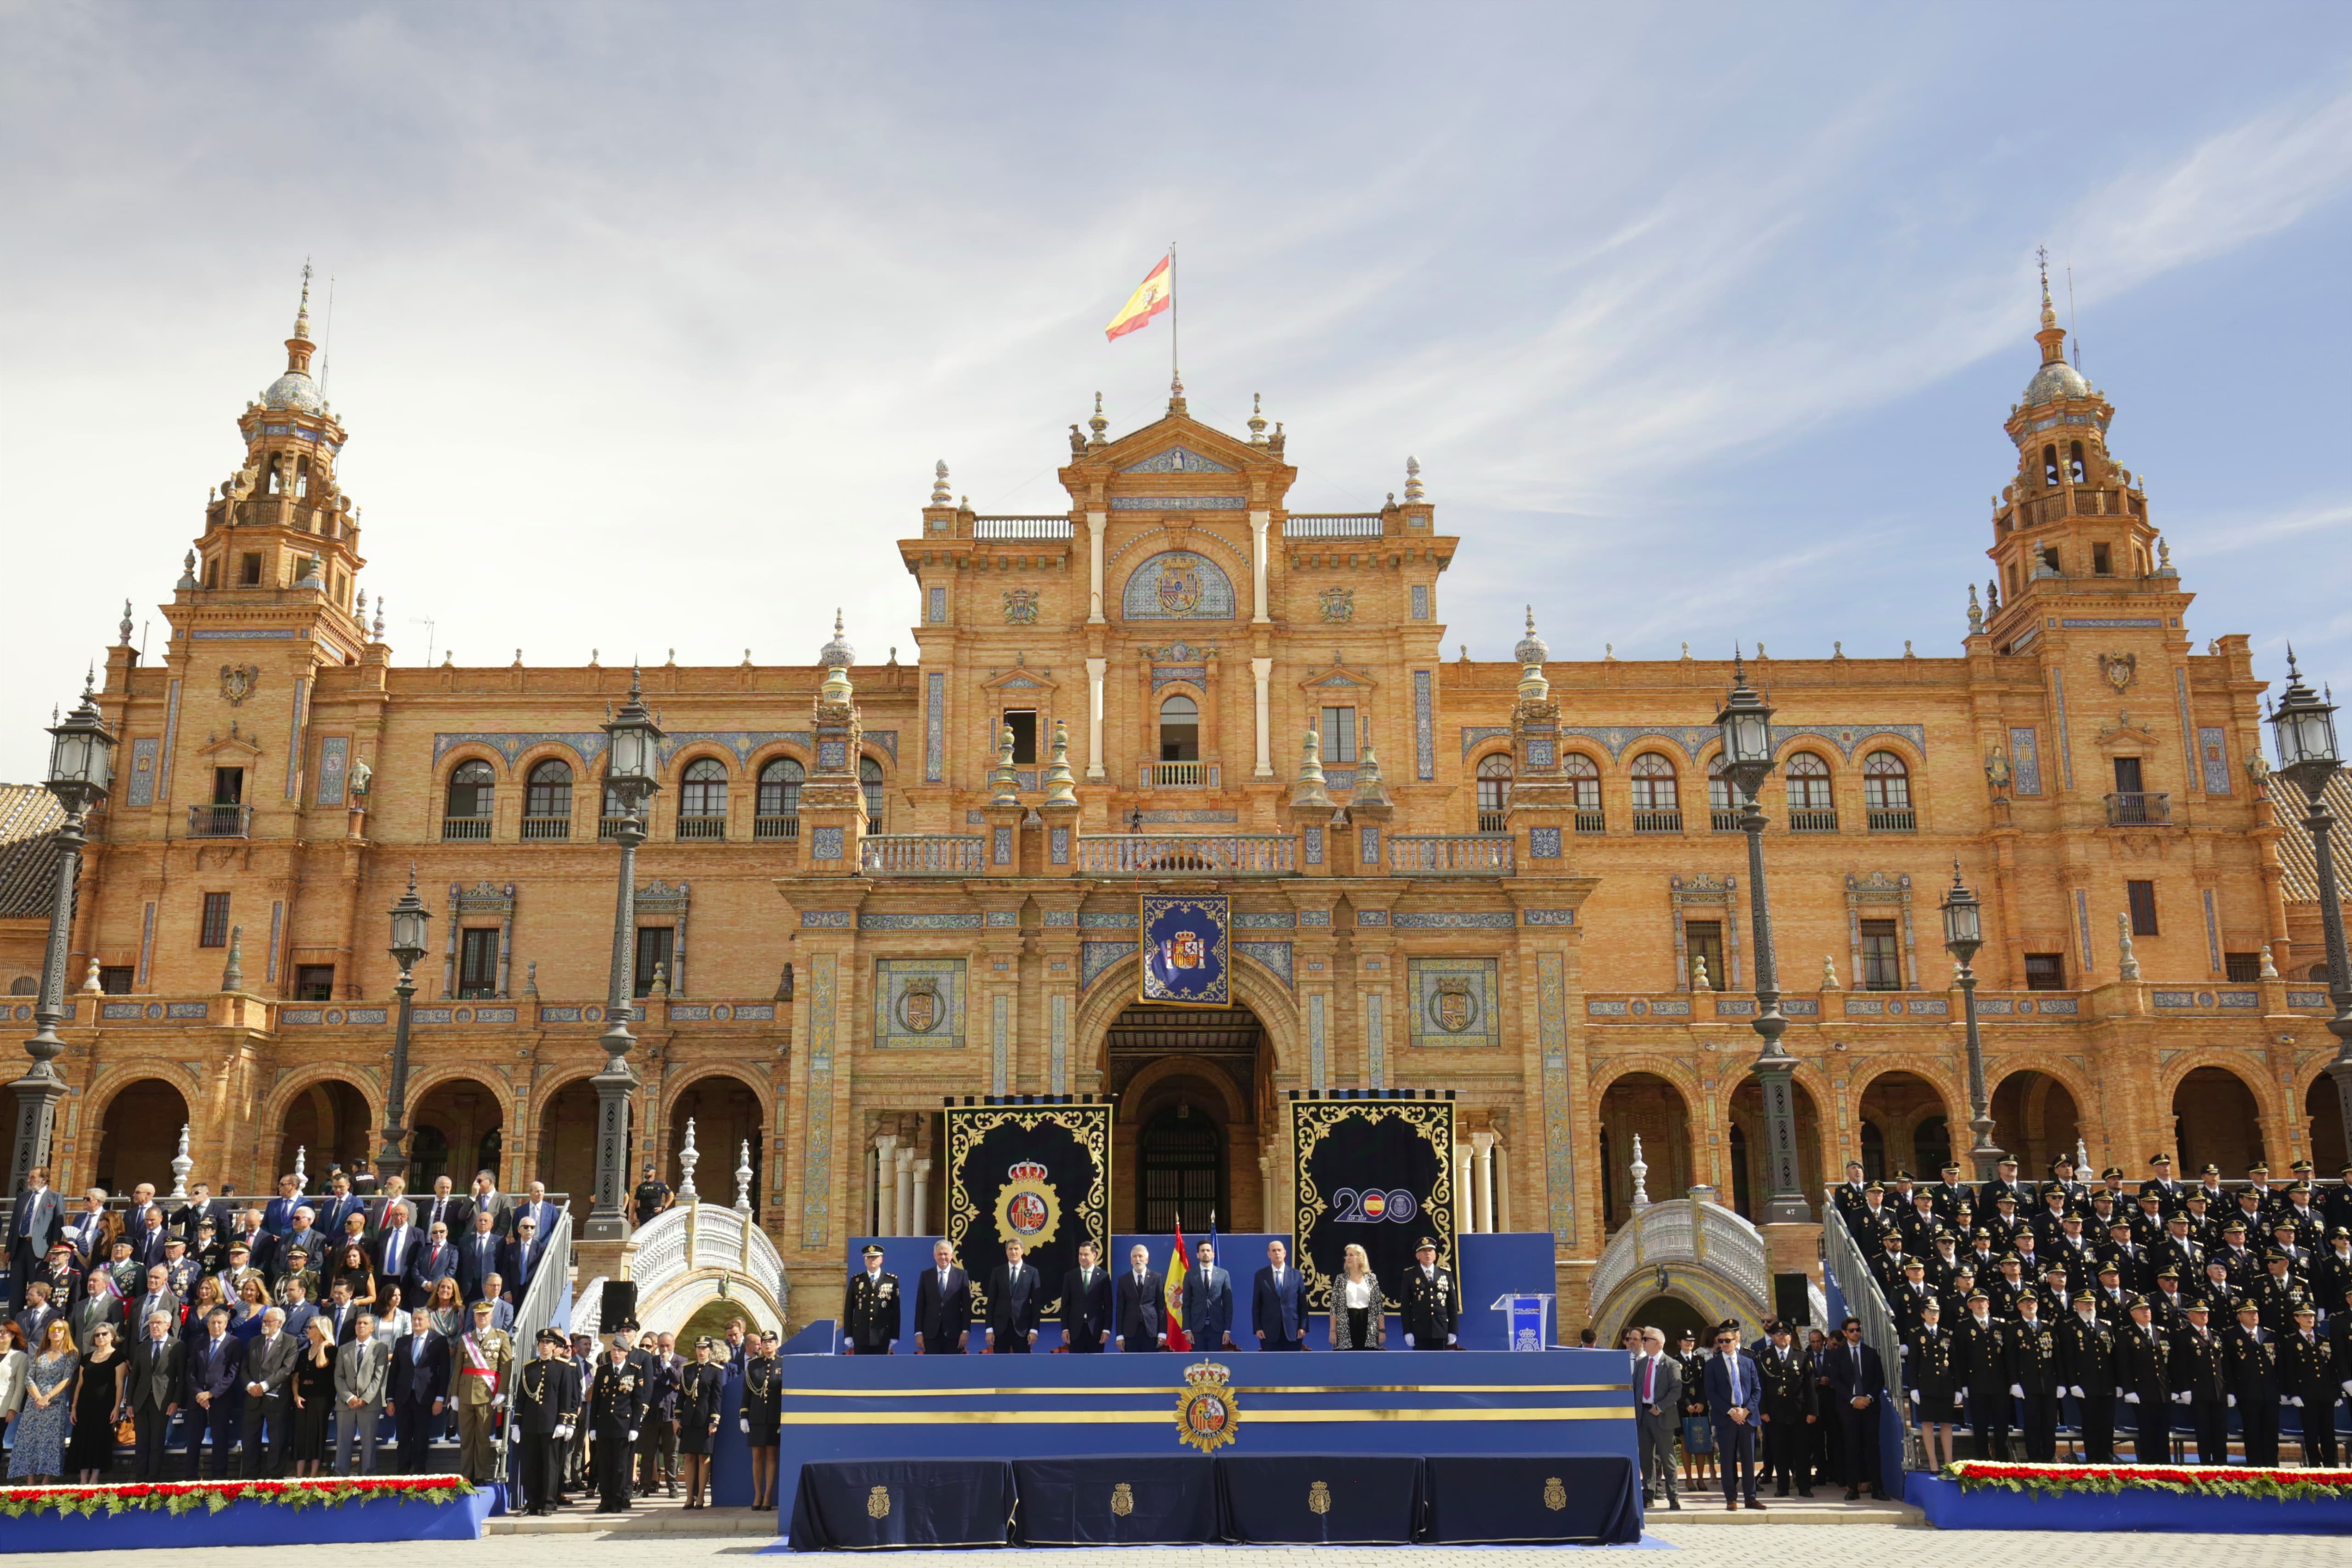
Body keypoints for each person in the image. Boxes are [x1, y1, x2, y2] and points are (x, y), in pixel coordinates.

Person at [510, 1328, 582, 1516]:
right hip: (531, 1424)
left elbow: (567, 1397)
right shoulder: (529, 1368)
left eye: (549, 1343)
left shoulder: (563, 1368)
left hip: (552, 1424)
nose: (545, 1346)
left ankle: (549, 1502)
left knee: (550, 1466)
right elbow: (522, 1399)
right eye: (542, 1343)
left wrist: (563, 1421)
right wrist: (516, 1424)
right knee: (530, 1465)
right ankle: (532, 1502)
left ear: (554, 1346)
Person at [1824, 1317, 1884, 1501]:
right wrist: (1853, 1399)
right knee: (1851, 1448)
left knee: (1872, 1448)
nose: (1856, 1333)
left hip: (1870, 1407)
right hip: (1849, 1408)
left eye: (1858, 1330)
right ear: (1845, 1333)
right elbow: (1835, 1381)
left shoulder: (1871, 1353)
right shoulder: (1837, 1355)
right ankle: (1853, 1488)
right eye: (1852, 1330)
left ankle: (1878, 1489)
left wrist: (1869, 1398)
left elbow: (1879, 1380)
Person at [1703, 1325, 1762, 1511]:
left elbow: (1757, 1390)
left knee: (1748, 1459)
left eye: (1728, 1341)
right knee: (1727, 1460)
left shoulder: (1748, 1362)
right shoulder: (1712, 1365)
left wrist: (1746, 1411)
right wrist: (1731, 1412)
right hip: (1726, 1417)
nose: (1724, 1344)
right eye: (1721, 1341)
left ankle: (1751, 1498)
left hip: (1747, 1417)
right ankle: (1731, 1498)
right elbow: (1711, 1393)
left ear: (1736, 1340)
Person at [10, 1319, 77, 1482]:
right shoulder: (40, 1353)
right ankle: (30, 1481)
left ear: (65, 1333)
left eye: (60, 1329)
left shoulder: (71, 1353)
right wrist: (38, 1397)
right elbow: (29, 1378)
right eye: (52, 1329)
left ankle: (46, 1481)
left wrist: (48, 1397)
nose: (56, 1332)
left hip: (55, 1403)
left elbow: (67, 1379)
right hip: (35, 1403)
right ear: (47, 1332)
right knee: (29, 1439)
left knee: (52, 1440)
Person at [455, 1299, 513, 1484]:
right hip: (465, 1393)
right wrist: (454, 1394)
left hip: (487, 1393)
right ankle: (466, 1476)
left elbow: (506, 1366)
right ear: (474, 1316)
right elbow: (458, 1368)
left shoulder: (501, 1337)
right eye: (478, 1314)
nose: (482, 1317)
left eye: (485, 1314)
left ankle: (480, 1475)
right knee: (466, 1439)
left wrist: (502, 1392)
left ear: (491, 1316)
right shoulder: (466, 1339)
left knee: (482, 1438)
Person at [1756, 1319, 1815, 1497]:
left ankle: (1804, 1487)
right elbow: (1761, 1387)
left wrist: (1813, 1412)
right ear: (1772, 1337)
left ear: (1791, 1337)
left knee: (1802, 1452)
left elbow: (1810, 1387)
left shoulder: (1802, 1356)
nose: (1782, 1337)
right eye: (1778, 1334)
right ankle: (1782, 1487)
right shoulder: (1764, 1357)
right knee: (1780, 1452)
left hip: (1799, 1412)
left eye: (1785, 1334)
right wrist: (1763, 1410)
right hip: (1775, 1413)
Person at [588, 1337, 645, 1514]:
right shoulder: (603, 1371)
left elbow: (637, 1402)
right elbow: (596, 1401)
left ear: (627, 1353)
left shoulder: (634, 1371)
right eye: (614, 1351)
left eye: (620, 1351)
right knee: (605, 1465)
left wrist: (635, 1427)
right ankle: (605, 1500)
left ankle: (619, 1500)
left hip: (624, 1425)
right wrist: (593, 1427)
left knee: (621, 1467)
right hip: (605, 1425)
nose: (616, 1354)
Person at [240, 1305, 299, 1477]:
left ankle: (274, 1478)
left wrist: (264, 1386)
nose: (264, 1324)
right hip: (253, 1398)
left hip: (275, 1398)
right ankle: (250, 1479)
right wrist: (251, 1386)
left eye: (268, 1321)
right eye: (263, 1321)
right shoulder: (254, 1342)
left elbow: (286, 1370)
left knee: (277, 1441)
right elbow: (244, 1368)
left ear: (279, 1323)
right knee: (250, 1440)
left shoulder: (290, 1341)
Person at [390, 1305, 450, 1473]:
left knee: (422, 1437)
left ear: (429, 1322)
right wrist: (390, 1399)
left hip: (426, 1398)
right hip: (403, 1397)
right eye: (414, 1319)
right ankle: (402, 1473)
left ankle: (419, 1473)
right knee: (403, 1437)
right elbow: (394, 1371)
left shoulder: (439, 1341)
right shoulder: (402, 1341)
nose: (416, 1322)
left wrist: (440, 1398)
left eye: (420, 1319)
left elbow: (444, 1372)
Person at [2223, 1297, 2283, 1467]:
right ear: (2239, 1316)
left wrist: (2283, 1390)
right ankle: (2255, 1468)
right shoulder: (2230, 1336)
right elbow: (2229, 1366)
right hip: (2248, 1393)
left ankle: (2273, 1469)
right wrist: (2232, 1391)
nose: (2253, 1315)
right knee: (2253, 1433)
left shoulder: (2269, 1334)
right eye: (2249, 1313)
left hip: (2270, 1393)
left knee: (2271, 1433)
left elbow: (2280, 1365)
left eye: (2255, 1312)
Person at [185, 1307, 244, 1477]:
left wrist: (211, 1394)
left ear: (226, 1324)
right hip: (198, 1400)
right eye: (213, 1323)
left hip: (221, 1399)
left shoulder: (234, 1343)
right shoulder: (198, 1343)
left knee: (220, 1440)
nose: (216, 1326)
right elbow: (190, 1372)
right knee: (194, 1440)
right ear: (208, 1325)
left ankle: (219, 1480)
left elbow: (232, 1374)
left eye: (220, 1323)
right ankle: (189, 1480)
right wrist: (199, 1394)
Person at [1951, 1287, 2008, 1460]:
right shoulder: (1963, 1327)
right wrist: (1963, 1385)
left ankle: (2003, 1461)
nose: (1980, 1304)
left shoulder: (2000, 1325)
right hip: (1976, 1383)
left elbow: (2007, 1355)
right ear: (1970, 1306)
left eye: (1983, 1301)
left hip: (2000, 1384)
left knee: (2001, 1425)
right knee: (1980, 1425)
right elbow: (1959, 1358)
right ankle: (1983, 1459)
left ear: (1989, 1304)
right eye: (1976, 1302)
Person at [66, 1321, 125, 1483]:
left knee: (100, 1439)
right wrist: (74, 1407)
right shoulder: (87, 1358)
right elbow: (80, 1384)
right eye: (97, 1335)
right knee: (82, 1440)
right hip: (85, 1406)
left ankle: (95, 1478)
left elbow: (119, 1384)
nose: (100, 1337)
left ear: (112, 1336)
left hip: (105, 1406)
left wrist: (116, 1408)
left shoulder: (118, 1357)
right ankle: (83, 1479)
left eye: (104, 1334)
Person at [128, 1309, 183, 1481]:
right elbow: (134, 1377)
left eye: (158, 1323)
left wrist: (176, 1401)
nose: (154, 1326)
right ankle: (140, 1478)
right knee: (141, 1442)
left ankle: (153, 1479)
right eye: (152, 1323)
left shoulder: (177, 1346)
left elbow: (181, 1377)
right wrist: (129, 1403)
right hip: (141, 1400)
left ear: (168, 1325)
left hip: (163, 1401)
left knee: (157, 1442)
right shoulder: (142, 1347)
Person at [1630, 1326, 1681, 1511]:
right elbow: (1635, 1389)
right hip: (1644, 1416)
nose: (1643, 1342)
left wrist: (1660, 1407)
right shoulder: (1642, 1363)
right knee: (1646, 1458)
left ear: (1658, 1343)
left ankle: (1673, 1497)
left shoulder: (1671, 1364)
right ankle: (1648, 1494)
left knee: (1667, 1458)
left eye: (1646, 1339)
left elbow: (1676, 1391)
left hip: (1662, 1416)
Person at [334, 1311, 390, 1476]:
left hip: (369, 1404)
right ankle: (340, 1478)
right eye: (359, 1323)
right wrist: (349, 1397)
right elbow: (338, 1376)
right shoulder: (344, 1349)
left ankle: (368, 1478)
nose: (361, 1326)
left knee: (369, 1443)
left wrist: (365, 1399)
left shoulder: (380, 1348)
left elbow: (378, 1377)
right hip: (346, 1404)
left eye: (366, 1324)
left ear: (373, 1328)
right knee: (343, 1443)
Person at [284, 1315, 337, 1477]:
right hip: (303, 1397)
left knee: (316, 1433)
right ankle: (299, 1475)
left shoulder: (331, 1351)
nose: (308, 1330)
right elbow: (295, 1378)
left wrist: (322, 1347)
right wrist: (296, 1396)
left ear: (320, 1331)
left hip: (321, 1398)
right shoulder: (304, 1353)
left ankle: (313, 1475)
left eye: (312, 1327)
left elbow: (321, 1364)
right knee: (300, 1434)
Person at [8, 1167, 66, 1312]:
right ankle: (14, 1323)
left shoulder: (55, 1197)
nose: (29, 1180)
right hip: (19, 1247)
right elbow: (14, 1224)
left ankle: (33, 1321)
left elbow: (58, 1226)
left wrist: (53, 1250)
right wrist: (9, 1249)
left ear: (44, 1180)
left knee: (36, 1288)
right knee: (16, 1288)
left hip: (40, 1250)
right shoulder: (23, 1198)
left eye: (33, 1177)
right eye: (29, 1177)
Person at [675, 1336, 724, 1508]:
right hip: (689, 1419)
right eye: (698, 1348)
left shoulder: (716, 1370)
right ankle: (689, 1497)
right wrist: (678, 1417)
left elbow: (717, 1398)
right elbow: (682, 1396)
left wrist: (714, 1421)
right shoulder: (688, 1369)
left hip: (705, 1419)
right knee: (689, 1457)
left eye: (704, 1348)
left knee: (704, 1458)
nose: (701, 1351)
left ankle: (701, 1496)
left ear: (710, 1350)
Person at [636, 1330, 679, 1497]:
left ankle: (673, 1488)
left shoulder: (680, 1361)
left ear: (674, 1344)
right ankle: (644, 1488)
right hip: (651, 1413)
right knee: (647, 1453)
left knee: (671, 1454)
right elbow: (648, 1381)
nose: (664, 1349)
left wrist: (668, 1366)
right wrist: (669, 1382)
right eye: (661, 1346)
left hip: (671, 1413)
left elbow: (680, 1379)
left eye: (668, 1346)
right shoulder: (651, 1361)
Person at [742, 1330, 781, 1512]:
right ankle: (758, 1494)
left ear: (776, 1344)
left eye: (770, 1342)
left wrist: (784, 1420)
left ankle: (768, 1496)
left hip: (774, 1417)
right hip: (757, 1417)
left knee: (772, 1455)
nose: (767, 1345)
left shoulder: (784, 1364)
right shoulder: (753, 1365)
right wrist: (744, 1416)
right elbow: (747, 1393)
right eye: (764, 1342)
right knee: (757, 1457)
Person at [915, 1239, 974, 1355]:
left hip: (954, 1334)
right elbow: (920, 1306)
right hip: (931, 1334)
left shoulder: (961, 1275)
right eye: (940, 1254)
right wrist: (919, 1333)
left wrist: (965, 1331)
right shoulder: (926, 1276)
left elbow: (967, 1307)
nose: (943, 1257)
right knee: (933, 1369)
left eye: (946, 1254)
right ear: (934, 1256)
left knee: (952, 1369)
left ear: (952, 1256)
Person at [840, 1243, 900, 1354]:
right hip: (860, 1335)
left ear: (881, 1259)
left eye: (875, 1257)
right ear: (865, 1261)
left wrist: (894, 1335)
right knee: (861, 1369)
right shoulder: (856, 1280)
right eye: (869, 1257)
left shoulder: (891, 1280)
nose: (872, 1260)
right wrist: (848, 1335)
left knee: (881, 1369)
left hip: (883, 1335)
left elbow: (896, 1311)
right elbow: (849, 1310)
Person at [1400, 1237, 1459, 1349]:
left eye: (1430, 1251)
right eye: (1424, 1251)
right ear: (1418, 1256)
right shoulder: (1410, 1275)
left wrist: (1453, 1330)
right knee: (1421, 1364)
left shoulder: (1445, 1274)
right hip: (1420, 1329)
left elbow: (1452, 1304)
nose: (1428, 1254)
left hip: (1441, 1328)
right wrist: (1407, 1331)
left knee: (1440, 1364)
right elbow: (1406, 1306)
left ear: (1435, 1255)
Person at [986, 1238, 1042, 1353]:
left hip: (1023, 1329)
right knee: (1000, 1366)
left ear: (1022, 1251)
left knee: (1022, 1366)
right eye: (1010, 1249)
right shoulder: (998, 1272)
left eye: (1016, 1249)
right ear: (1006, 1251)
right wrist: (989, 1329)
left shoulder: (1032, 1272)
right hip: (1000, 1329)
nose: (1014, 1252)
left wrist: (1034, 1330)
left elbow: (1036, 1304)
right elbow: (991, 1302)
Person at [1181, 1238, 1234, 1350]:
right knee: (1198, 1363)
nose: (1206, 1253)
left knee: (1215, 1362)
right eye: (1202, 1251)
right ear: (1198, 1255)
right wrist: (1188, 1330)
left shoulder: (1223, 1274)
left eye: (1208, 1251)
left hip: (1217, 1328)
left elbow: (1228, 1304)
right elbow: (1186, 1304)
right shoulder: (1190, 1275)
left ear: (1213, 1254)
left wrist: (1227, 1330)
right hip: (1197, 1329)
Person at [1254, 1240, 1307, 1352]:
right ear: (1269, 1255)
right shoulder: (1261, 1275)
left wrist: (1303, 1327)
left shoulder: (1297, 1275)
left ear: (1285, 1253)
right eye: (1274, 1251)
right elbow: (1257, 1305)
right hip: (1269, 1330)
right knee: (1271, 1366)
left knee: (1292, 1365)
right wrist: (1258, 1328)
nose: (1277, 1253)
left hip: (1293, 1330)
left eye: (1279, 1250)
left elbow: (1303, 1304)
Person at [1059, 1240, 1110, 1353]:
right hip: (1075, 1331)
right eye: (1080, 1254)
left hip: (1096, 1331)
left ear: (1094, 1255)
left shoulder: (1104, 1277)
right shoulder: (1070, 1276)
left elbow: (1108, 1306)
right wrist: (1065, 1329)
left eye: (1086, 1254)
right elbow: (1065, 1306)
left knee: (1096, 1367)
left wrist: (1106, 1330)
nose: (1082, 1257)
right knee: (1076, 1367)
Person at [1330, 1243, 1384, 1350]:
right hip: (1346, 1324)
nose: (1348, 1258)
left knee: (1368, 1358)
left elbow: (1379, 1306)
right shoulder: (1340, 1279)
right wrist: (1333, 1331)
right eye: (1347, 1255)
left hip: (1369, 1324)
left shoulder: (1372, 1278)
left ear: (1360, 1258)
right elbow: (1334, 1308)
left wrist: (1382, 1330)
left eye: (1351, 1255)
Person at [1116, 1243, 1165, 1352]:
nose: (1138, 1259)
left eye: (1140, 1256)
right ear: (1131, 1260)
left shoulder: (1157, 1278)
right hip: (1130, 1332)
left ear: (1147, 1260)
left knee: (1150, 1365)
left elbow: (1161, 1307)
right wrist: (1120, 1336)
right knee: (1131, 1366)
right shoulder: (1124, 1280)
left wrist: (1162, 1332)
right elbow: (1120, 1309)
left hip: (1151, 1332)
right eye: (1135, 1257)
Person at [458, 1211, 503, 1304]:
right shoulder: (465, 1241)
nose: (483, 1223)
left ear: (492, 1224)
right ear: (476, 1223)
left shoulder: (499, 1242)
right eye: (480, 1220)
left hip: (489, 1287)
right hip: (468, 1288)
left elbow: (501, 1265)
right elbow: (460, 1266)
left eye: (486, 1221)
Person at [632, 1164, 674, 1229]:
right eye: (645, 1172)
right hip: (644, 1216)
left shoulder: (660, 1185)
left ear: (654, 1172)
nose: (646, 1173)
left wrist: (664, 1207)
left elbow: (671, 1196)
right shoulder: (641, 1187)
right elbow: (635, 1203)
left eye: (648, 1171)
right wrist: (631, 1217)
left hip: (655, 1215)